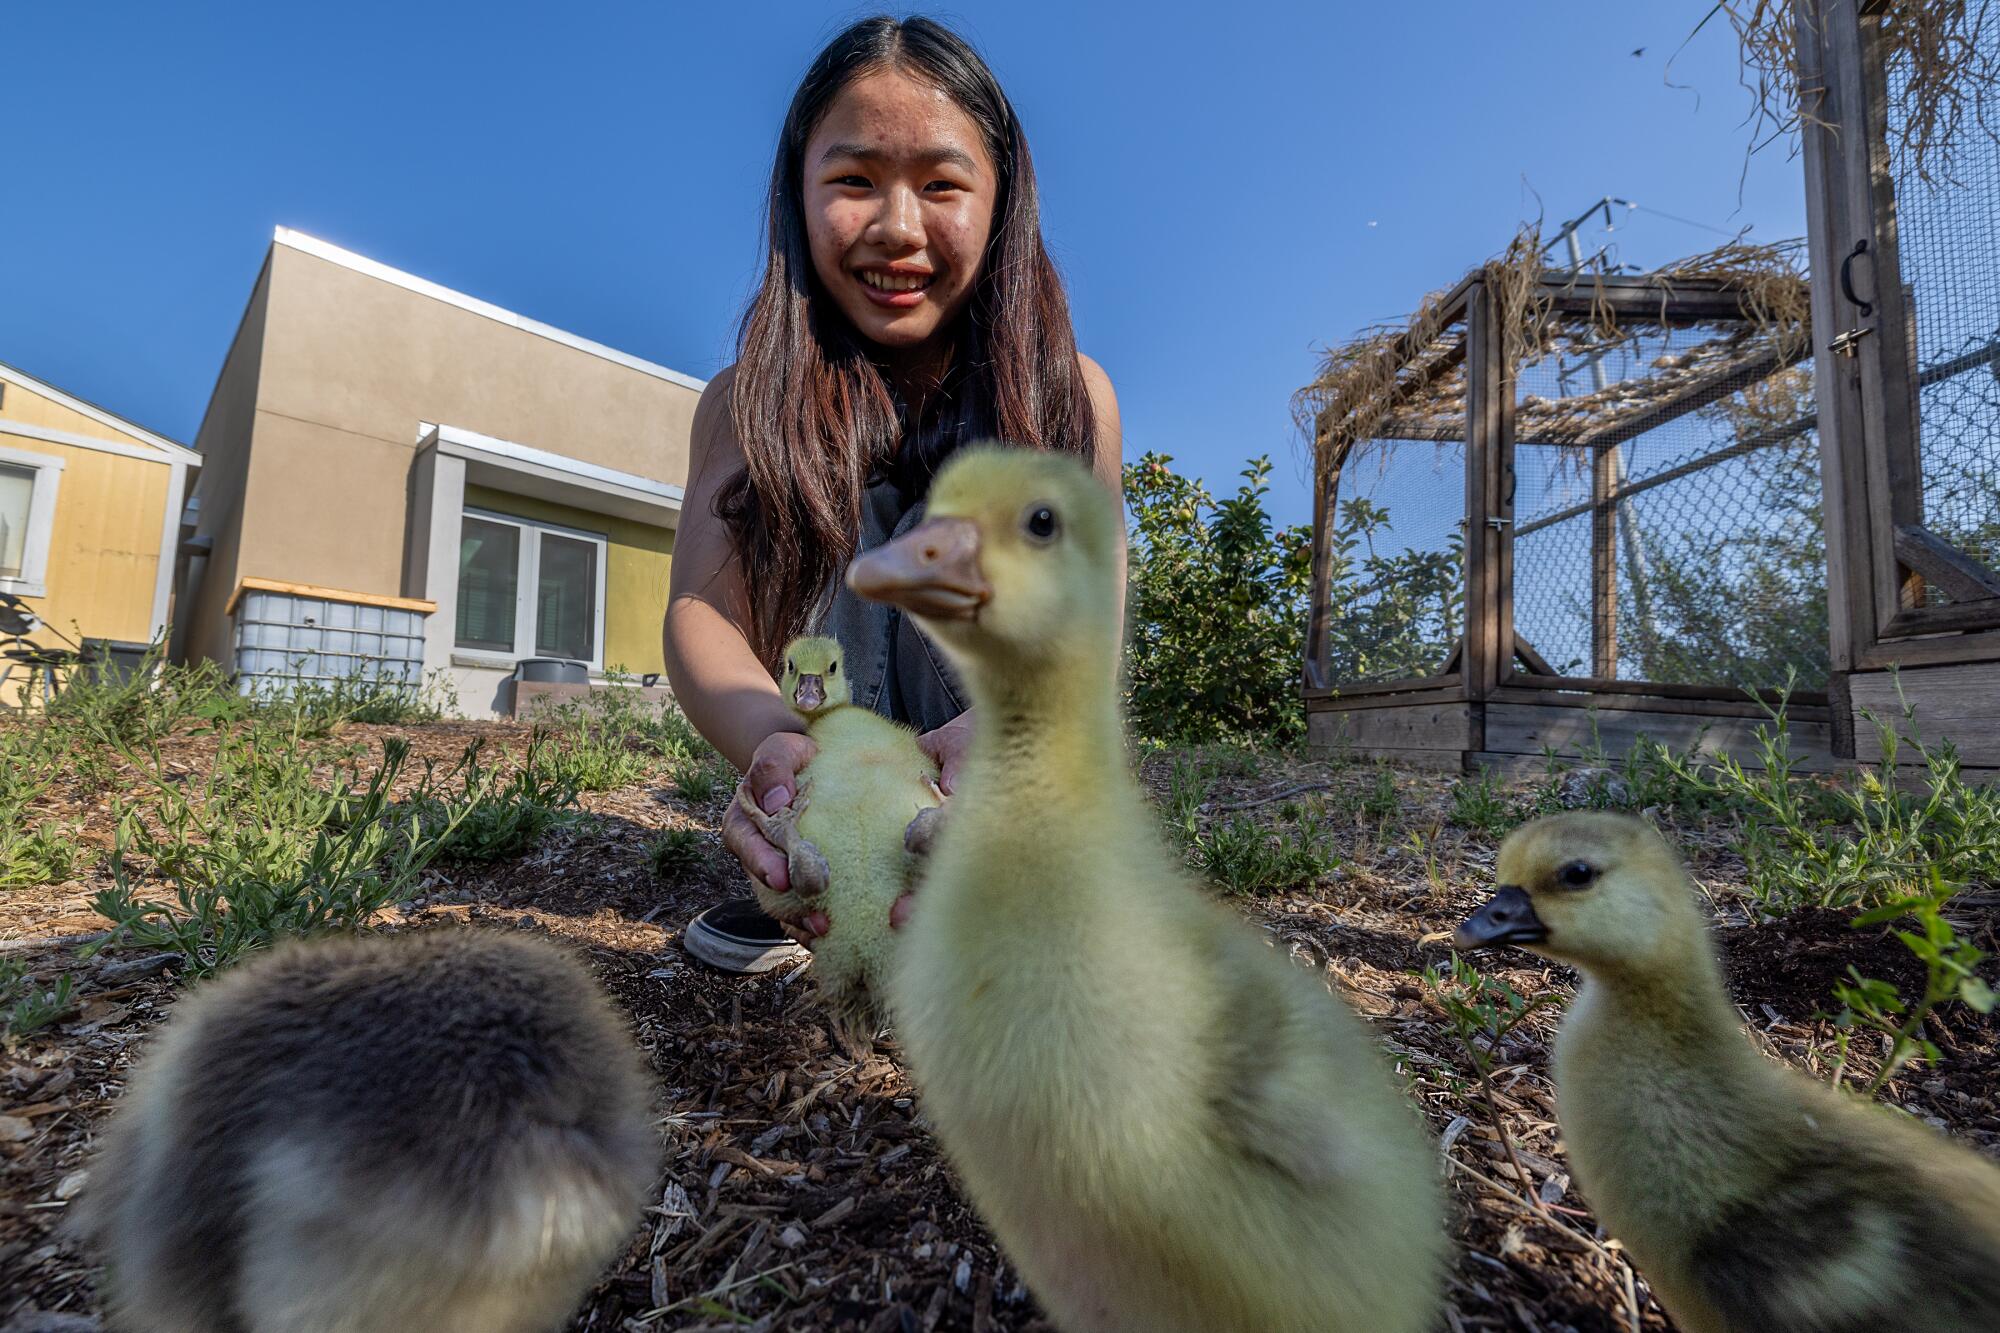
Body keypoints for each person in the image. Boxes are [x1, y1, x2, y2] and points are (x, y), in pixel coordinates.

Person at [663, 14, 1123, 973]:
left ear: (1002, 204)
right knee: (837, 502)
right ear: (798, 191)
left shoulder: (1071, 396)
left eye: (943, 184)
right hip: (822, 739)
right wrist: (779, 750)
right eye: (854, 179)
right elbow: (703, 612)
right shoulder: (744, 404)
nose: (898, 227)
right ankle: (828, 857)